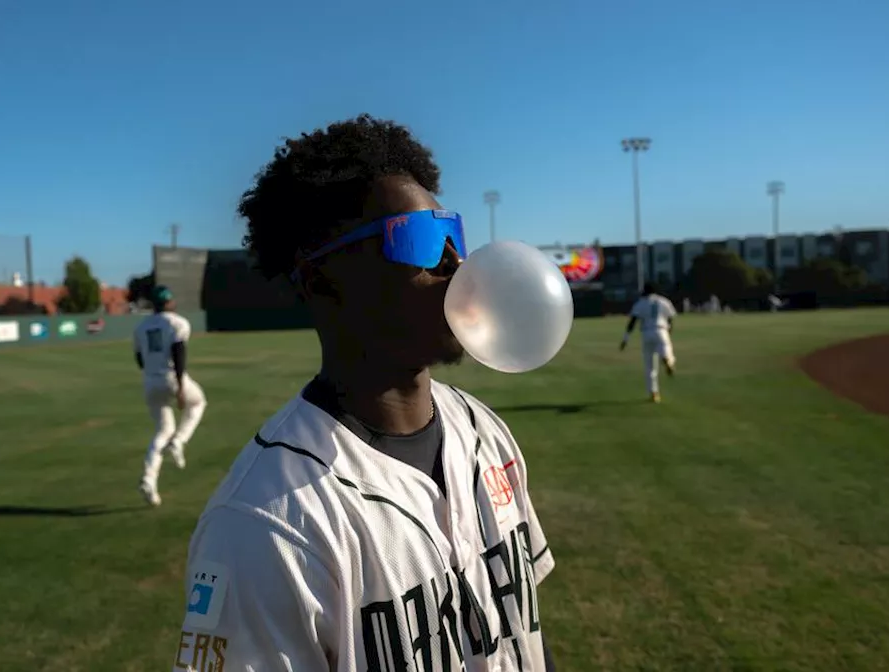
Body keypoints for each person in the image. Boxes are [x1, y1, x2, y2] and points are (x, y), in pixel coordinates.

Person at [174, 115, 557, 671]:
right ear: (321, 279)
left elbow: (528, 635)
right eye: (421, 239)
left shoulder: (485, 431)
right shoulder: (264, 525)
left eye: (451, 232)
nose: (454, 261)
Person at [132, 285, 207, 506]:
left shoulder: (140, 327)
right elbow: (179, 354)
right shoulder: (178, 322)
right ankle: (179, 441)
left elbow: (140, 360)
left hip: (150, 381)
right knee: (198, 402)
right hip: (172, 377)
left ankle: (149, 479)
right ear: (169, 302)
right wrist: (181, 388)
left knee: (162, 430)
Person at [620, 282, 678, 402]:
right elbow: (671, 318)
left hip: (646, 332)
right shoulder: (664, 301)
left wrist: (625, 339)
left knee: (650, 366)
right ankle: (668, 360)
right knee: (667, 349)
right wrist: (669, 330)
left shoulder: (641, 303)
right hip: (661, 330)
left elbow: (632, 322)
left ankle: (654, 393)